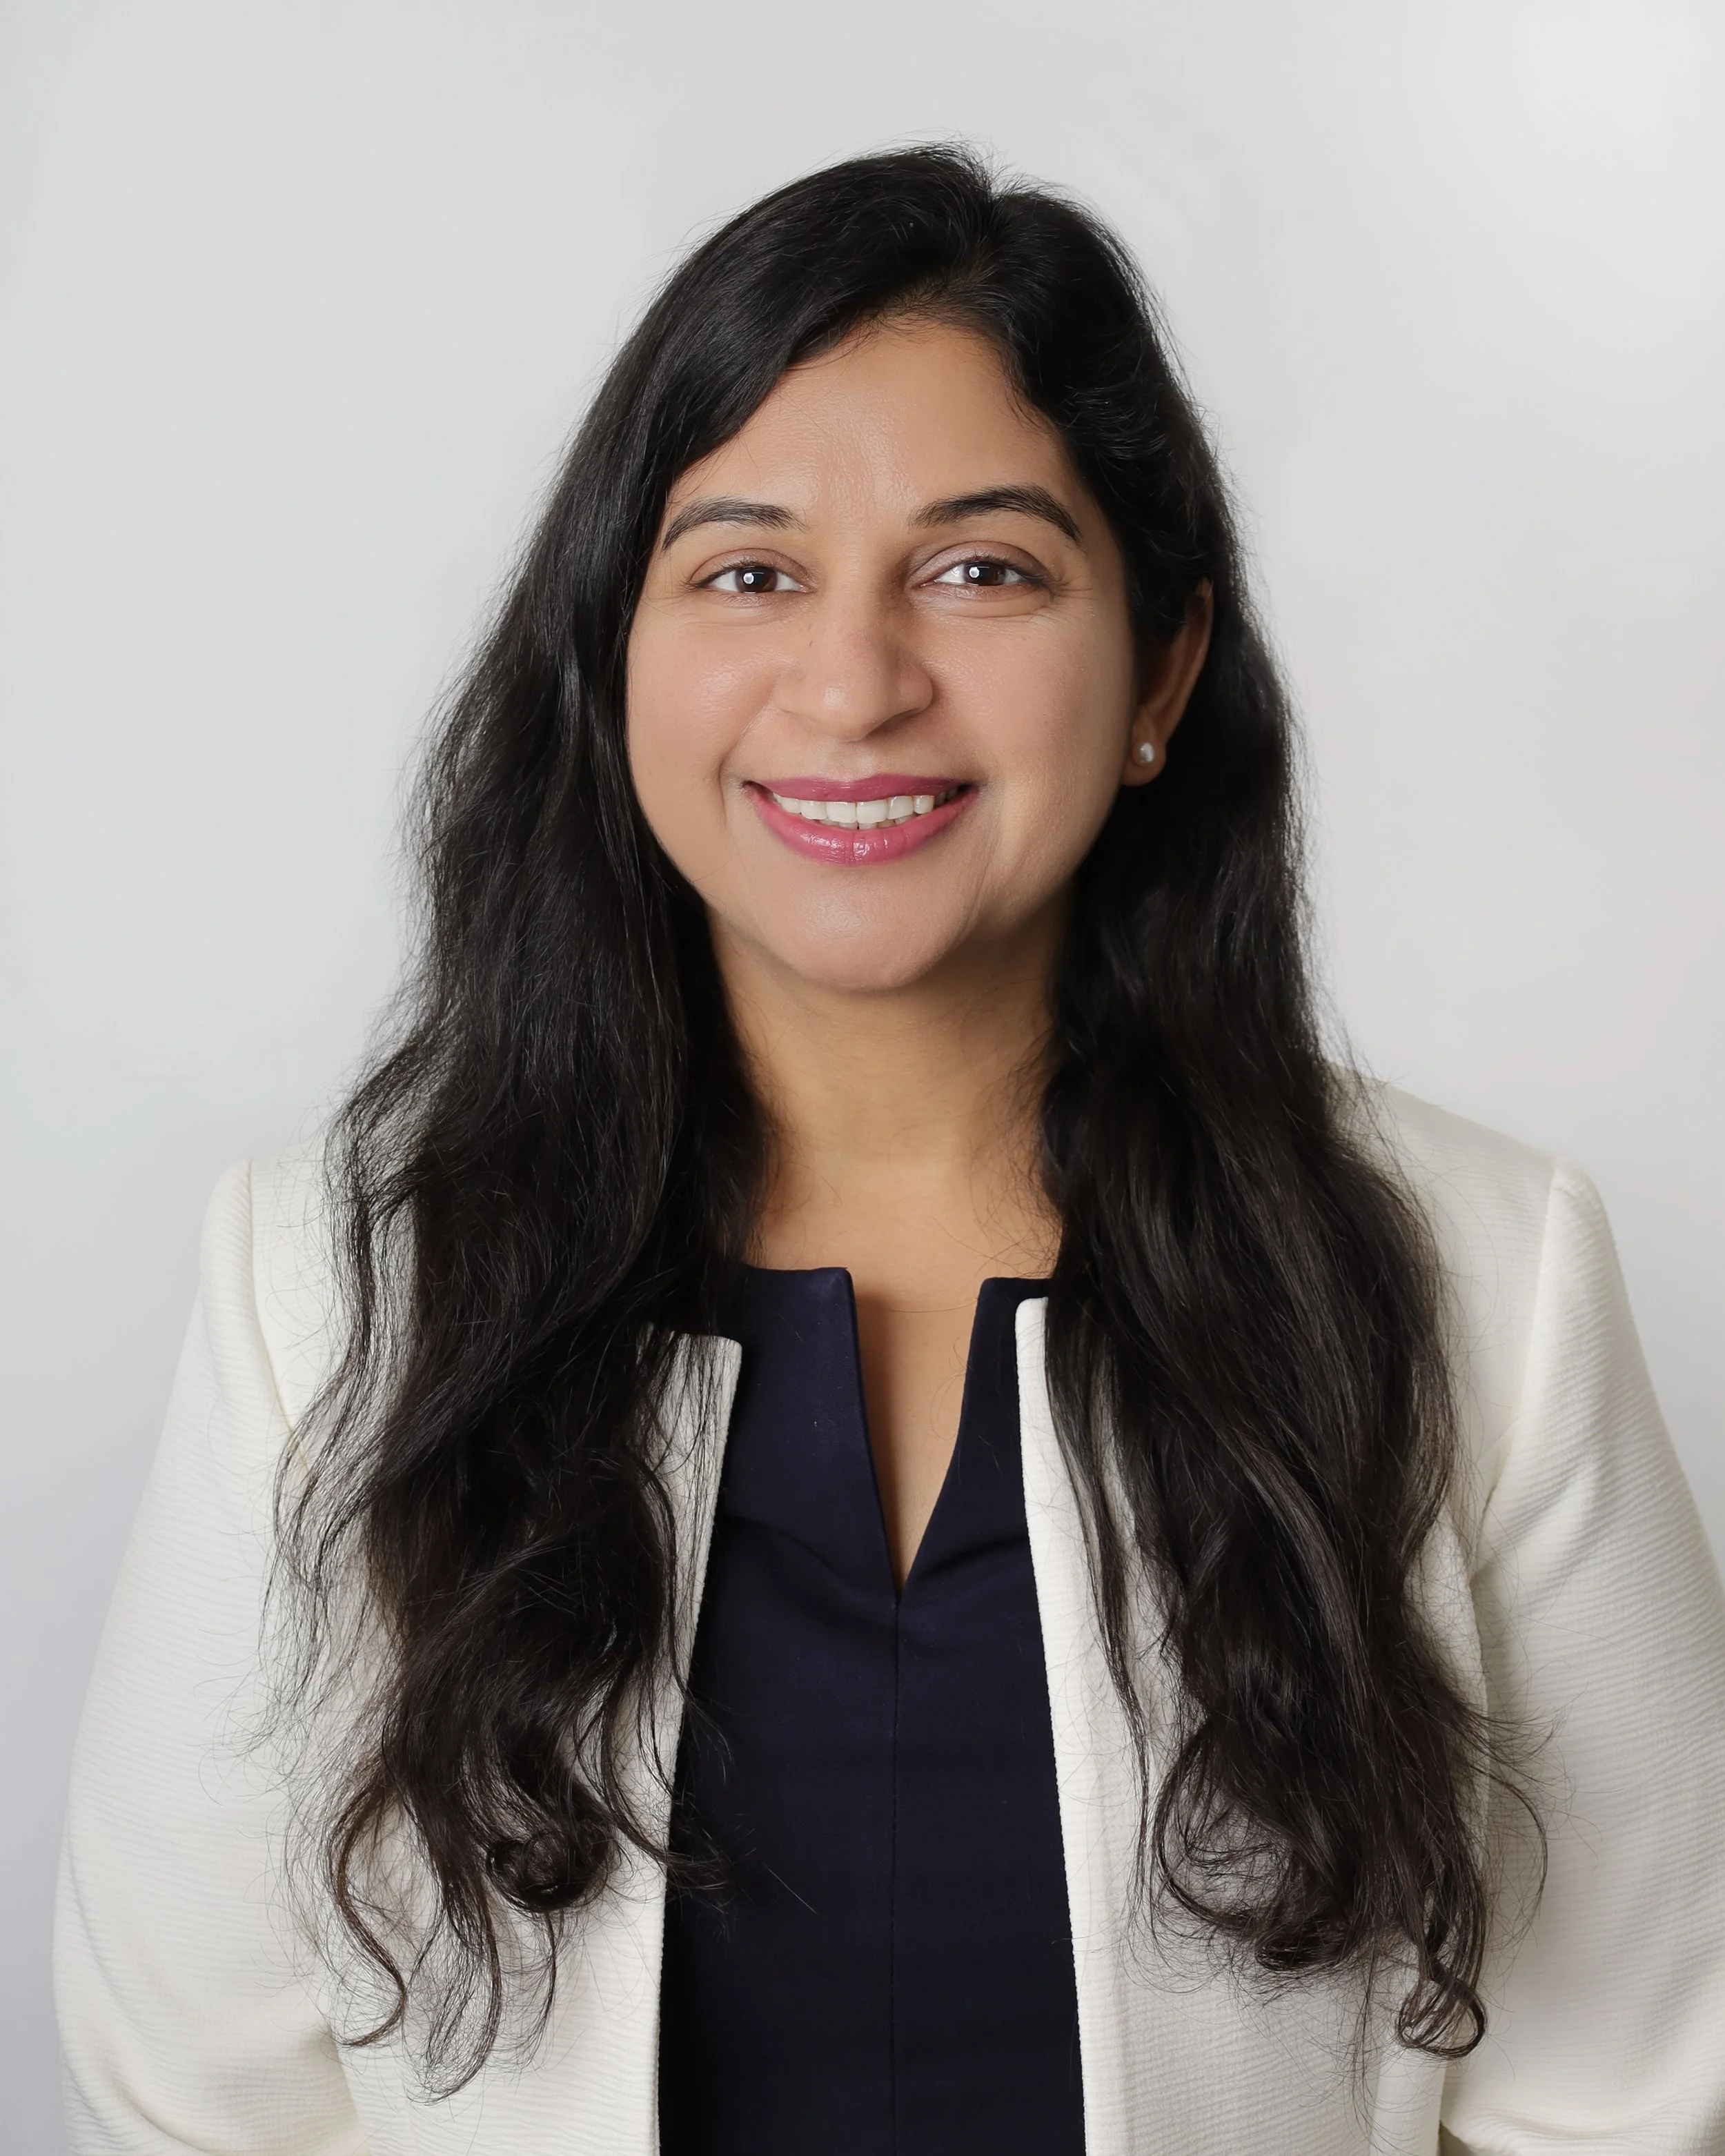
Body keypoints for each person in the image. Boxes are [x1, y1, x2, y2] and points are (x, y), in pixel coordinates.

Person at [55, 145, 1725, 2156]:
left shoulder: (1483, 1280)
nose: (853, 683)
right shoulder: (330, 1283)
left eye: (982, 566)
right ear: (617, 657)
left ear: (1160, 671)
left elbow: (1627, 2105)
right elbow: (198, 2114)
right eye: (746, 569)